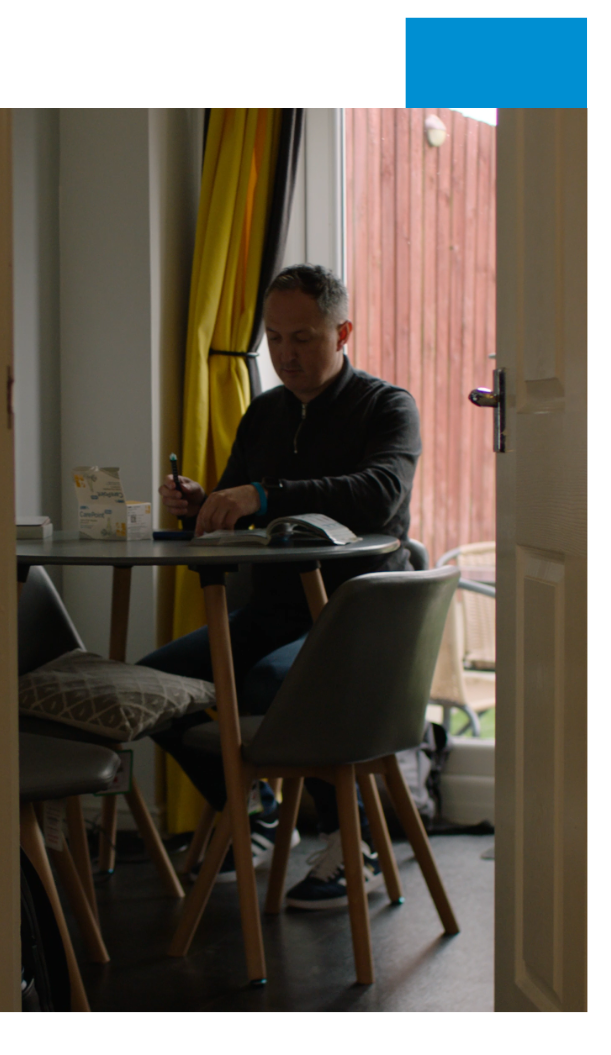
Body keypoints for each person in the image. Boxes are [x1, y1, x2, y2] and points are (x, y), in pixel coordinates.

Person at [138, 263, 421, 909]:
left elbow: (378, 495)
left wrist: (263, 494)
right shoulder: (264, 412)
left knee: (269, 685)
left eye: (303, 338)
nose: (286, 355)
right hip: (272, 613)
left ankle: (358, 836)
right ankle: (255, 808)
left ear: (342, 331)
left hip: (355, 621)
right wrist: (203, 503)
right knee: (152, 687)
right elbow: (241, 500)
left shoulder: (387, 406)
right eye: (274, 338)